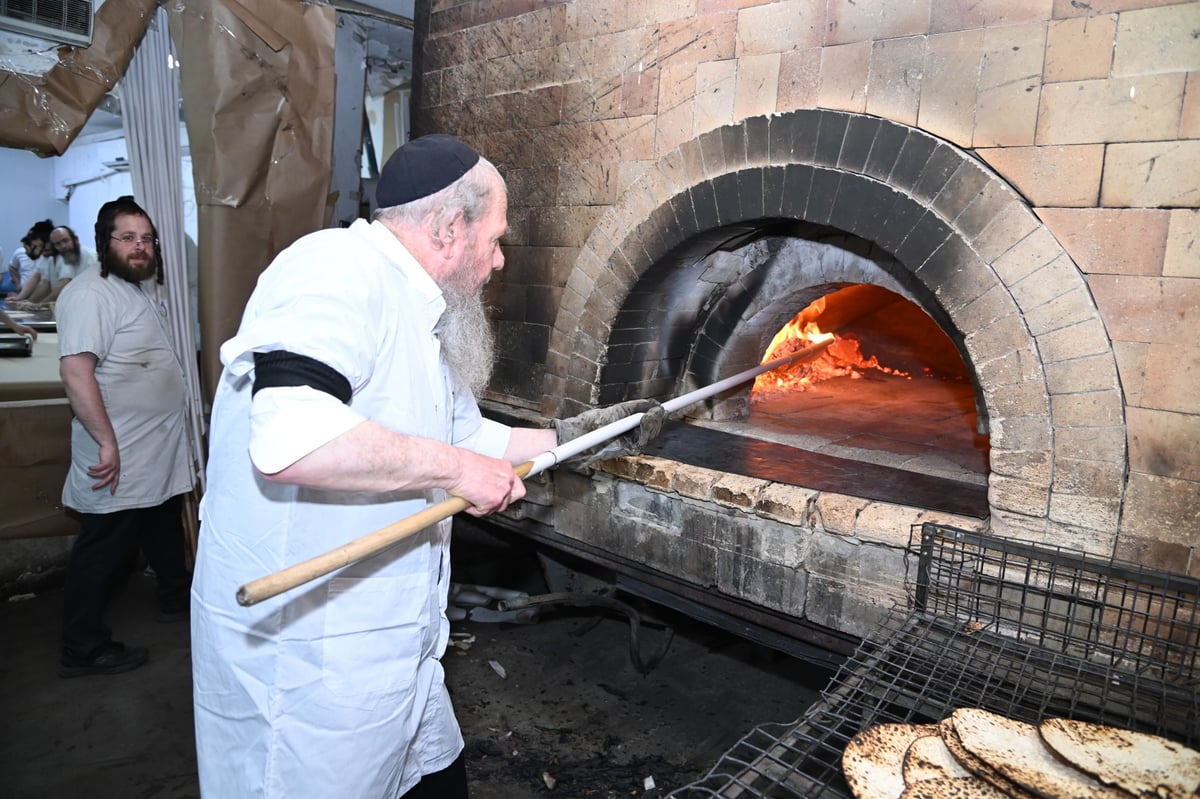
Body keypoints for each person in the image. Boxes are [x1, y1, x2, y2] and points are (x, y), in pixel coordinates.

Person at [191, 133, 664, 798]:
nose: (500, 260)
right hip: (313, 670)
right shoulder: (334, 269)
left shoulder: (424, 320)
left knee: (439, 782)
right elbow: (290, 438)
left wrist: (582, 434)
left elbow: (473, 438)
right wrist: (454, 470)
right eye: (496, 239)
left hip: (398, 651)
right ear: (449, 226)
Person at [55, 197, 194, 678]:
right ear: (104, 241)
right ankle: (83, 647)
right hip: (119, 444)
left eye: (146, 238)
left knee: (161, 519)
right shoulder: (90, 294)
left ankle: (177, 598)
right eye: (127, 237)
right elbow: (76, 374)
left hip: (153, 444)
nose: (139, 247)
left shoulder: (133, 288)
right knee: (105, 544)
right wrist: (107, 442)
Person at [4, 220, 55, 303]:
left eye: (41, 246)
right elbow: (35, 277)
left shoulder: (60, 257)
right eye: (38, 246)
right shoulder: (44, 258)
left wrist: (31, 301)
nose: (41, 250)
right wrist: (20, 297)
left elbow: (45, 284)